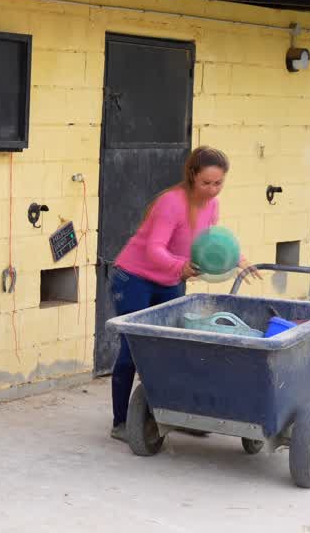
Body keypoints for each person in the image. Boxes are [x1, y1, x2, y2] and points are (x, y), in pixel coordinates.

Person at [107, 145, 258, 442]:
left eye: (219, 183)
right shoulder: (171, 203)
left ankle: (179, 414)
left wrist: (237, 259)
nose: (213, 190)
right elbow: (154, 250)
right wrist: (181, 266)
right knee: (132, 349)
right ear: (192, 176)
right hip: (133, 278)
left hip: (170, 279)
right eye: (207, 183)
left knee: (176, 349)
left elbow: (209, 242)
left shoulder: (212, 205)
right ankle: (122, 422)